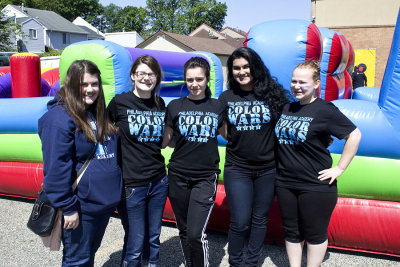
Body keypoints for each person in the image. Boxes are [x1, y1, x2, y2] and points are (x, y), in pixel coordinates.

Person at [275, 60, 362, 267]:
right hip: (285, 182)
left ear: (316, 84)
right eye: (294, 81)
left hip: (315, 184)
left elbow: (354, 134)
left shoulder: (325, 110)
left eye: (302, 82)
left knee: (314, 234)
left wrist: (340, 168)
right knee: (291, 231)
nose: (296, 86)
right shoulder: (286, 108)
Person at [38, 60, 122, 266]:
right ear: (70, 84)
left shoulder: (96, 113)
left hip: (102, 204)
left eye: (94, 84)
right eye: (83, 85)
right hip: (81, 205)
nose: (90, 89)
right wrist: (68, 207)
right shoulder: (59, 119)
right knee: (77, 260)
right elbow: (56, 169)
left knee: (89, 255)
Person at [218, 47, 289, 266]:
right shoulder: (227, 97)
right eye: (236, 68)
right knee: (240, 221)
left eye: (246, 66)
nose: (241, 71)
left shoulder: (273, 94)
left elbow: (287, 125)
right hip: (237, 168)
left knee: (260, 220)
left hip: (268, 168)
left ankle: (251, 262)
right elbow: (222, 128)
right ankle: (236, 262)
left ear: (255, 66)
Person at [162, 57, 224, 267]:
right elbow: (166, 142)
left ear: (207, 79)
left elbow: (231, 136)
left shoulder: (218, 106)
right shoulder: (174, 106)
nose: (194, 84)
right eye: (190, 80)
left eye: (199, 79)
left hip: (205, 177)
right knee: (185, 230)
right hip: (178, 174)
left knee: (196, 233)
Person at [107, 55, 168, 267]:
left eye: (151, 74)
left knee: (153, 237)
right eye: (141, 73)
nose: (146, 77)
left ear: (157, 78)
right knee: (135, 240)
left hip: (159, 181)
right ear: (133, 75)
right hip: (132, 184)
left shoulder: (160, 104)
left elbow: (163, 142)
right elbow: (102, 131)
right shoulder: (119, 102)